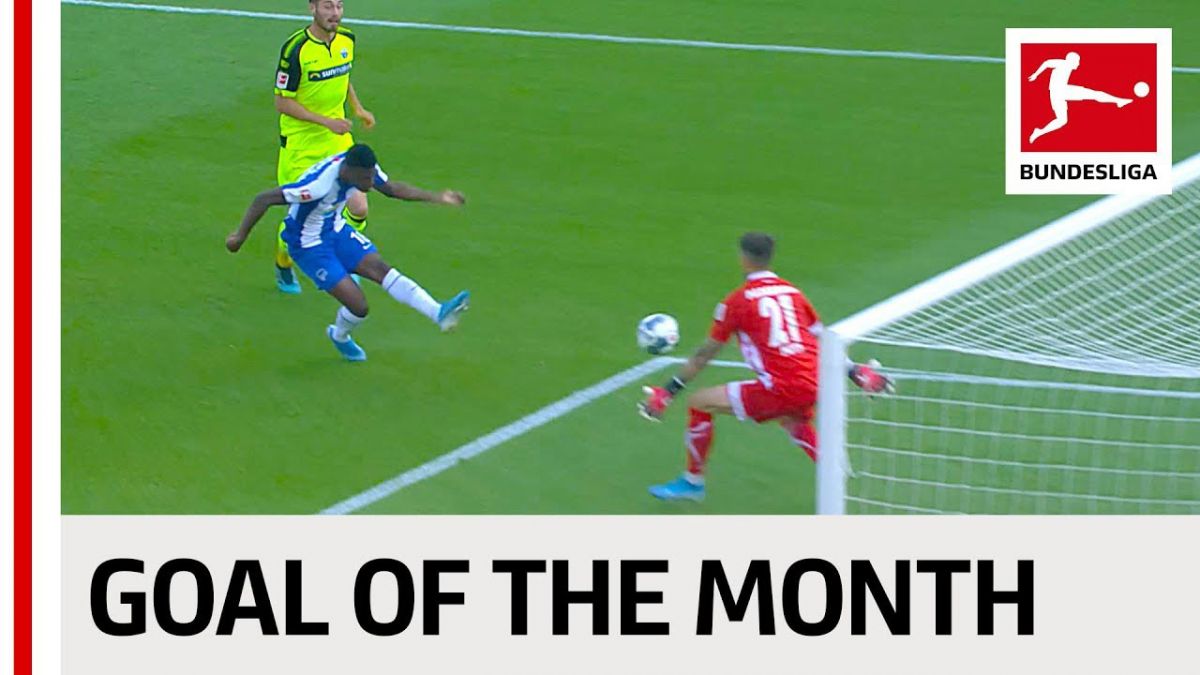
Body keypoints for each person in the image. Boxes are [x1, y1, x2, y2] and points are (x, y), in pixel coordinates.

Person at [638, 232, 892, 501]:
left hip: (781, 387)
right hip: (814, 381)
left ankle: (693, 483)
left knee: (699, 403)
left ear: (743, 258)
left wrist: (668, 392)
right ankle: (837, 472)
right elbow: (822, 337)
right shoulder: (792, 292)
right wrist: (855, 372)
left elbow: (703, 356)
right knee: (792, 419)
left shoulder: (736, 302)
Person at [226, 144, 469, 361]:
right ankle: (339, 336)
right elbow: (264, 198)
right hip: (308, 245)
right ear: (349, 172)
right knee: (359, 307)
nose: (370, 183)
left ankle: (438, 312)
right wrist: (239, 236)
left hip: (335, 230)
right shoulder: (317, 186)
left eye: (371, 176)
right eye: (365, 178)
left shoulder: (361, 167)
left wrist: (439, 198)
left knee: (380, 268)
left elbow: (392, 188)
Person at [272, 0, 376, 294]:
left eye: (339, 6)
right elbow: (282, 102)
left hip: (336, 139)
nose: (335, 13)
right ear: (312, 8)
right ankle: (283, 263)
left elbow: (343, 75)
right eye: (328, 6)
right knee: (302, 218)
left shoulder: (347, 39)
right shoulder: (296, 49)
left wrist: (358, 108)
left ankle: (344, 261)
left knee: (358, 206)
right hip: (301, 145)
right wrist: (325, 121)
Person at [1027, 51, 1132, 145]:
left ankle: (1039, 132)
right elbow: (1047, 62)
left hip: (1056, 94)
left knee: (1062, 120)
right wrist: (1036, 74)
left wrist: (1037, 74)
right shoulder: (1063, 63)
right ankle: (1118, 101)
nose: (1078, 63)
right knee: (1094, 94)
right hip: (1062, 90)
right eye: (1077, 61)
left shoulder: (1065, 65)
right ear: (1071, 60)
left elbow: (1047, 63)